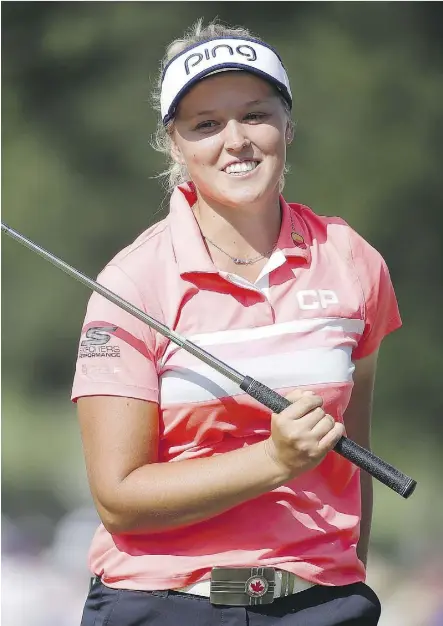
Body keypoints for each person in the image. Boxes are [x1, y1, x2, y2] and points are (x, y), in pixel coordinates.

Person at [72, 18, 401, 626]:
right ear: (175, 143)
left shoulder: (353, 261)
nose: (236, 140)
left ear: (287, 125)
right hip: (164, 605)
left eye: (255, 115)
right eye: (206, 125)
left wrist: (346, 574)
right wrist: (273, 461)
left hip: (321, 605)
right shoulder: (131, 283)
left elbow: (355, 452)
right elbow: (119, 499)